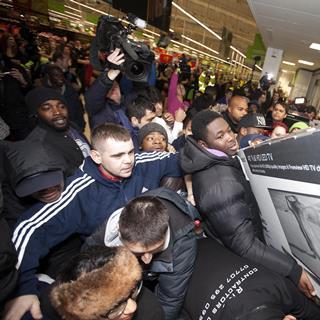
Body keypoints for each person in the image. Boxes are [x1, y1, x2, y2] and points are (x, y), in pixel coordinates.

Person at [4, 123, 186, 320]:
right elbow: (29, 228)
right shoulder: (79, 192)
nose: (128, 161)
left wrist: (188, 189)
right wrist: (23, 288)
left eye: (130, 152)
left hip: (148, 256)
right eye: (117, 156)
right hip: (108, 267)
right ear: (97, 156)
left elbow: (183, 159)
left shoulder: (143, 162)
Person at [180, 110, 316, 302]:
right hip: (246, 259)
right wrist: (293, 270)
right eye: (220, 136)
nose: (230, 138)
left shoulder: (216, 160)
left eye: (229, 131)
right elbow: (245, 246)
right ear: (203, 144)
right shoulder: (220, 184)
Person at [84, 188, 198, 320]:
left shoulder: (182, 244)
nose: (147, 259)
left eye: (156, 249)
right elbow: (86, 262)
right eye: (139, 252)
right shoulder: (111, 229)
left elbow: (170, 299)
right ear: (119, 235)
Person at [182, 238, 320, 320]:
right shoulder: (276, 285)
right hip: (196, 247)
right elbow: (313, 313)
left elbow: (312, 313)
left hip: (196, 248)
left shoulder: (275, 285)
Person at [41, 246, 165, 320]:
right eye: (114, 308)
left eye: (132, 291)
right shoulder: (50, 307)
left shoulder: (150, 311)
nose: (133, 307)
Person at [24, 86, 90, 174]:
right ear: (36, 114)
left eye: (61, 106)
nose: (57, 112)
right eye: (47, 108)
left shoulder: (72, 126)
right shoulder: (37, 144)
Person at [42, 64, 85, 132]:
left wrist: (80, 127)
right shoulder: (42, 94)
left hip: (73, 129)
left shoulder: (70, 89)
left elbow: (79, 110)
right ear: (49, 77)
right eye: (56, 75)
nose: (60, 78)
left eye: (61, 75)